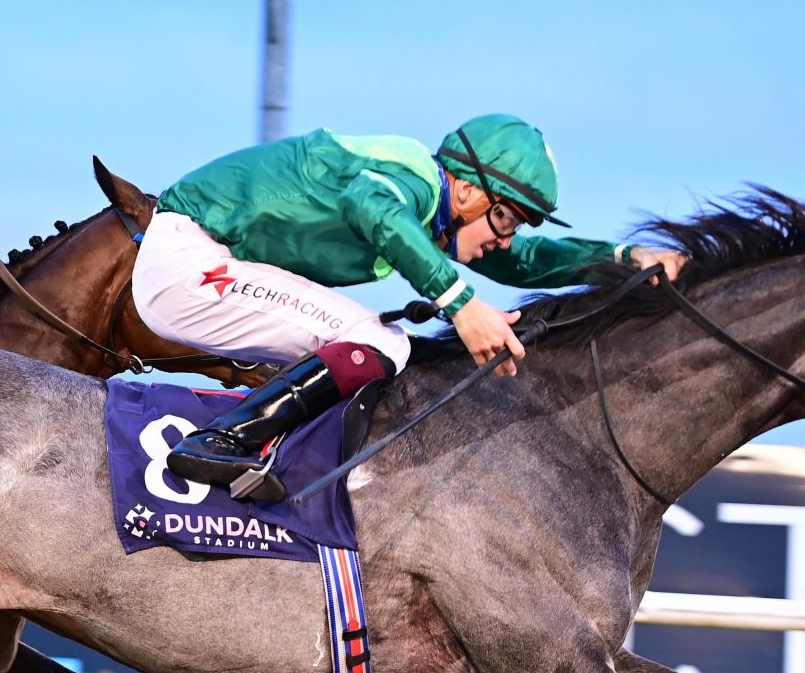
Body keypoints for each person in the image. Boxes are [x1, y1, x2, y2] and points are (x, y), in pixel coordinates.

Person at [131, 115, 687, 498]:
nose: (505, 237)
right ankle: (220, 442)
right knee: (380, 341)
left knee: (377, 342)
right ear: (467, 190)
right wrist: (462, 305)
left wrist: (622, 256)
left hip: (203, 261)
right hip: (189, 260)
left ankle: (261, 446)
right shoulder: (411, 180)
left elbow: (524, 262)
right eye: (506, 218)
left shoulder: (435, 210)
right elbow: (371, 207)